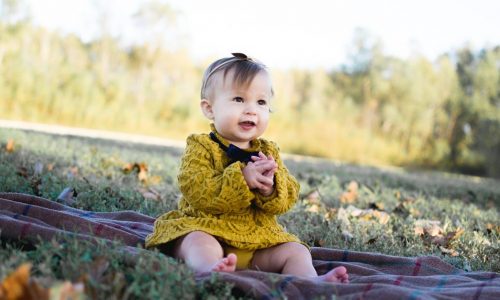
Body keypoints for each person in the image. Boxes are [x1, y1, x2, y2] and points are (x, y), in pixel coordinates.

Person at [145, 53, 348, 283]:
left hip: (257, 242)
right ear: (209, 109)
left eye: (261, 102)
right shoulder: (201, 146)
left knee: (296, 251)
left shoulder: (268, 152)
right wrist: (242, 179)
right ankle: (210, 268)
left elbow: (289, 196)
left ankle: (310, 282)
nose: (251, 110)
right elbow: (196, 188)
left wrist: (271, 188)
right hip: (209, 229)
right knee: (195, 241)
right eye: (239, 99)